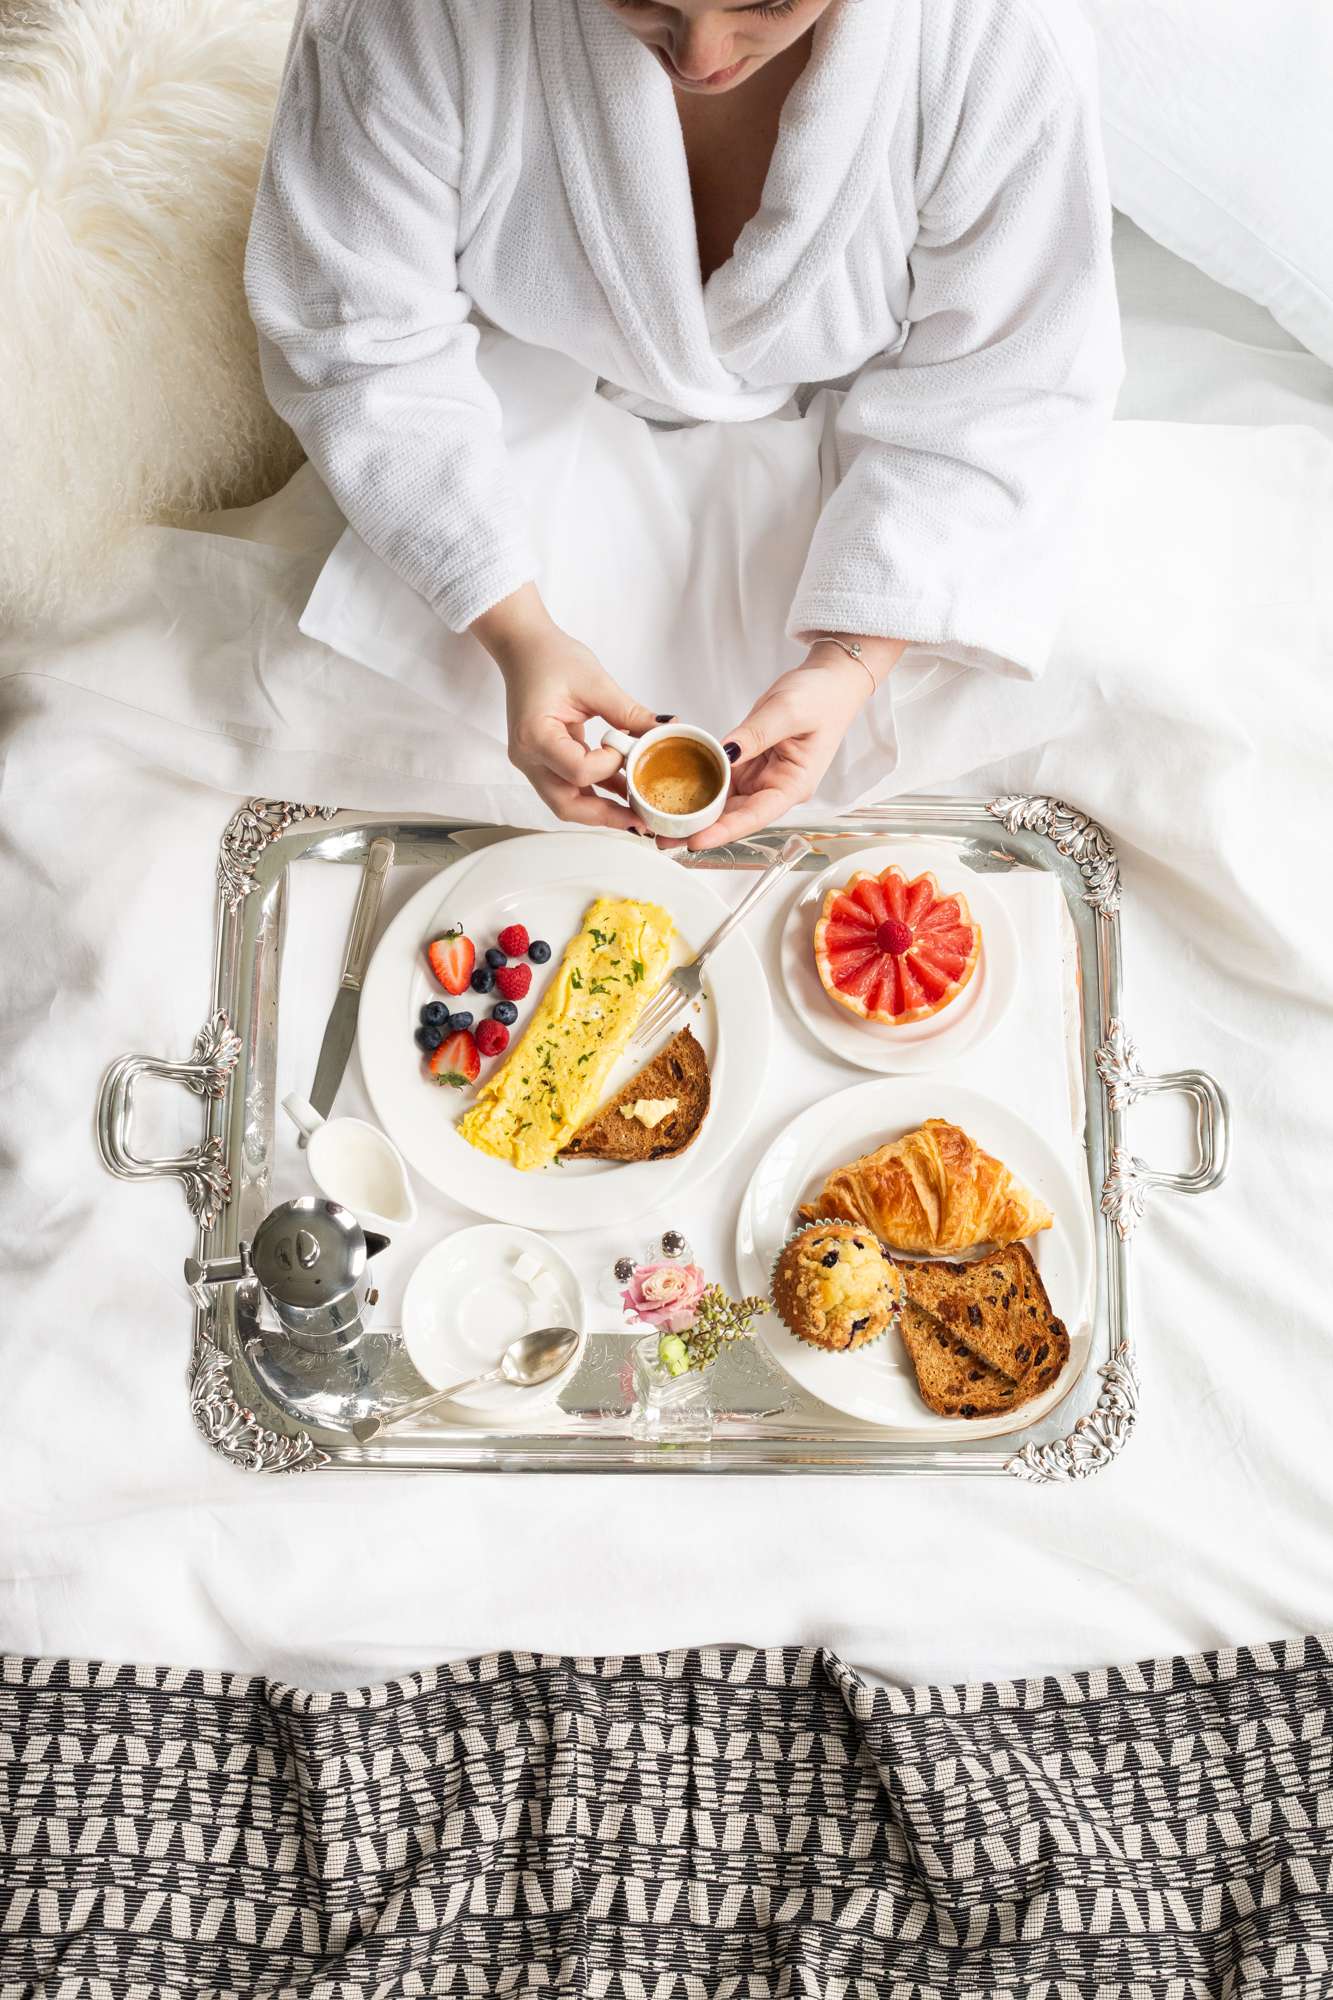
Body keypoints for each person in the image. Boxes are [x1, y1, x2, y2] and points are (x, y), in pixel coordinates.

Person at [246, 0, 1122, 845]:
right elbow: (359, 335)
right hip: (480, 432)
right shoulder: (409, 18)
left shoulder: (997, 41)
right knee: (298, 730)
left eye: (768, 2)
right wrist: (515, 634)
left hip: (888, 463)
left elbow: (1007, 381)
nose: (700, 58)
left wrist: (853, 659)